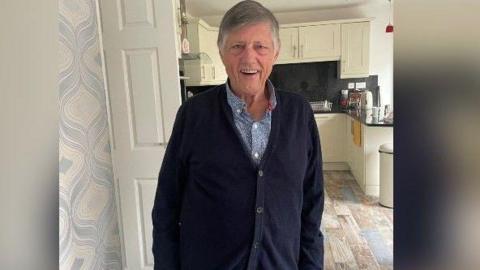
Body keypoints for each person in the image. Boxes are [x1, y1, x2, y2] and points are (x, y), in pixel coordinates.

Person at [152, 1, 324, 269]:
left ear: (275, 53)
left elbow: (312, 205)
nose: (249, 58)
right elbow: (166, 205)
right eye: (237, 46)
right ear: (222, 53)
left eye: (260, 47)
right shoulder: (193, 114)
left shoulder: (299, 114)